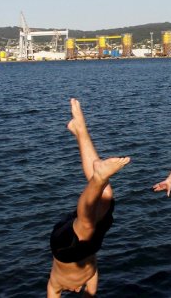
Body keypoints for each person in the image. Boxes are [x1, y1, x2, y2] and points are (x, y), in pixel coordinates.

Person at [47, 98, 130, 297]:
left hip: (64, 247)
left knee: (86, 227)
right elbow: (91, 294)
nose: (78, 289)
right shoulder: (90, 278)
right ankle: (80, 129)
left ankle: (99, 176)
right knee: (106, 197)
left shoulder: (55, 286)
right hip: (89, 241)